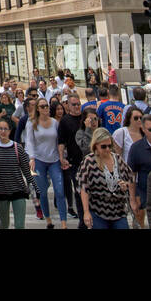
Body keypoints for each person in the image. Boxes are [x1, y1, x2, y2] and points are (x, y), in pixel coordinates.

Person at [24, 97, 69, 228]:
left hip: (54, 159)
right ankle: (48, 219)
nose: (45, 109)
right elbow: (30, 142)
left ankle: (64, 223)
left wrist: (62, 157)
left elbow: (59, 141)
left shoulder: (55, 123)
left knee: (60, 191)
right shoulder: (32, 123)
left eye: (47, 106)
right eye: (42, 106)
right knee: (42, 191)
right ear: (37, 109)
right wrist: (31, 158)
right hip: (39, 160)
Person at [78, 128, 137, 229]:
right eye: (103, 146)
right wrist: (86, 212)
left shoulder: (117, 159)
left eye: (109, 146)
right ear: (95, 145)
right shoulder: (89, 161)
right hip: (98, 210)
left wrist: (127, 189)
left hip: (118, 210)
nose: (107, 149)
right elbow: (84, 188)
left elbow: (131, 177)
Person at [0, 116, 38, 228]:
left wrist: (34, 187)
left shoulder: (17, 147)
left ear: (10, 131)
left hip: (19, 190)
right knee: (4, 224)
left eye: (5, 129)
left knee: (20, 225)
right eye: (0, 128)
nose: (3, 131)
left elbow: (26, 170)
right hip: (1, 191)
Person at [128, 114, 151, 227]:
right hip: (146, 199)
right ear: (143, 129)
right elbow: (131, 176)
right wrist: (133, 199)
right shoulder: (136, 148)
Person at [58, 94, 86, 226]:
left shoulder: (85, 118)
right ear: (68, 106)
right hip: (75, 162)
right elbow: (61, 141)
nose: (76, 107)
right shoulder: (65, 121)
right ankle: (82, 220)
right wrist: (61, 157)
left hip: (90, 161)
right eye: (74, 104)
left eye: (78, 104)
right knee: (79, 191)